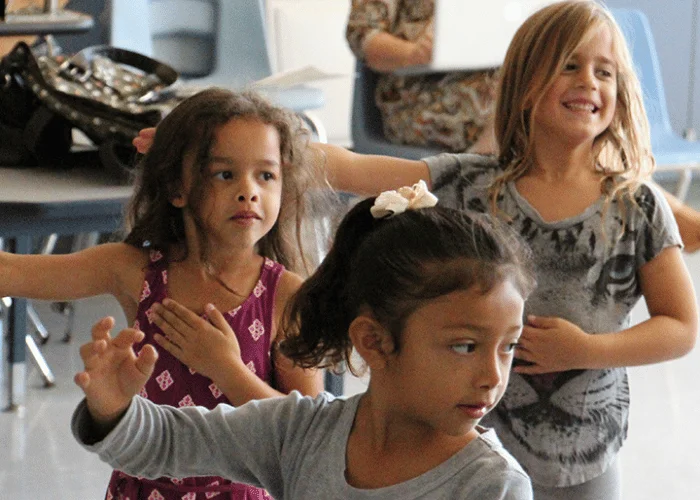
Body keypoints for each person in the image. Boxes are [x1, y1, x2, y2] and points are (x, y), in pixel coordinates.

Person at [72, 187, 538, 499]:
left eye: (507, 346)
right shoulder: (302, 433)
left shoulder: (492, 486)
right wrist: (112, 408)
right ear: (373, 341)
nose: (493, 377)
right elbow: (168, 441)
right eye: (465, 346)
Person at [0, 88, 326, 499]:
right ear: (177, 188)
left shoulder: (287, 296)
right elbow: (10, 272)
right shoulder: (134, 270)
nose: (249, 191)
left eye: (266, 175)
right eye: (224, 174)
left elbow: (308, 434)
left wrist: (227, 369)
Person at [346, 0, 500, 153]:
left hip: (492, 76)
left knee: (515, 92)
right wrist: (411, 53)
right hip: (419, 93)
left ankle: (484, 166)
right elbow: (361, 34)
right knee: (509, 106)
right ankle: (479, 165)